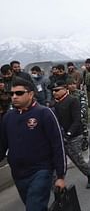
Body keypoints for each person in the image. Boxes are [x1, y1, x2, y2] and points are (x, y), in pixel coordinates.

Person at [0, 78, 66, 210]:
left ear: (30, 94)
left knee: (34, 207)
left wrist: (60, 175)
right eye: (12, 93)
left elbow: (57, 144)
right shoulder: (8, 117)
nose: (14, 97)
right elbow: (2, 145)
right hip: (18, 173)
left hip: (41, 171)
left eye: (19, 93)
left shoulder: (44, 113)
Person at [51, 80, 90, 189]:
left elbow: (77, 120)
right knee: (55, 161)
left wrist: (69, 134)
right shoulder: (54, 103)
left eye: (57, 90)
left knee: (77, 159)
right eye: (53, 91)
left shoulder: (72, 100)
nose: (54, 92)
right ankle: (56, 184)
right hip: (59, 137)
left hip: (74, 136)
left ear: (65, 89)